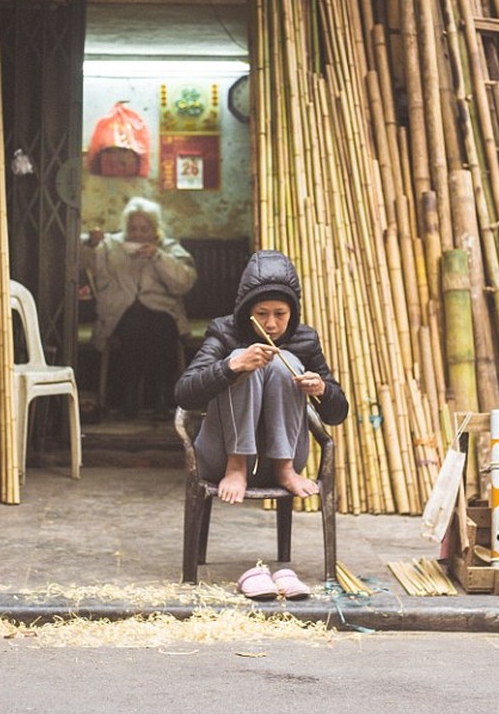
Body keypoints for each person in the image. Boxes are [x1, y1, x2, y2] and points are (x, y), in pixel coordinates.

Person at [174, 249, 349, 503]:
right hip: (221, 460)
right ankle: (238, 465)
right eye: (262, 313)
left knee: (283, 363)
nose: (270, 324)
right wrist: (232, 366)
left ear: (293, 312)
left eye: (280, 314)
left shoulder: (305, 339)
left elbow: (337, 414)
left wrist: (321, 389)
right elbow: (185, 394)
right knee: (244, 359)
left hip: (282, 459)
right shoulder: (224, 331)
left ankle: (284, 468)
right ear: (247, 311)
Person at [81, 197, 197, 418]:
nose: (138, 235)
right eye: (133, 229)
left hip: (162, 317)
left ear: (155, 230)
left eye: (144, 229)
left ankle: (155, 395)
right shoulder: (110, 246)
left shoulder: (169, 248)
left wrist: (157, 256)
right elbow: (80, 258)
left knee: (158, 325)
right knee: (133, 326)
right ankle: (134, 395)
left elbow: (184, 282)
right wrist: (89, 241)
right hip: (120, 316)